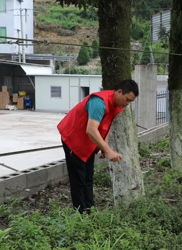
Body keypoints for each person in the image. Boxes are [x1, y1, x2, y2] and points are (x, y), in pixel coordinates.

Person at [56, 79, 138, 214]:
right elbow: (91, 130)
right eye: (127, 99)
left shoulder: (115, 104)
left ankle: (90, 211)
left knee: (88, 177)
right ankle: (81, 215)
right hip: (74, 139)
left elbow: (105, 125)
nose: (127, 104)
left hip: (88, 142)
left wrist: (103, 145)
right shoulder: (99, 103)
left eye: (130, 102)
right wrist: (108, 150)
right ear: (119, 92)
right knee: (78, 180)